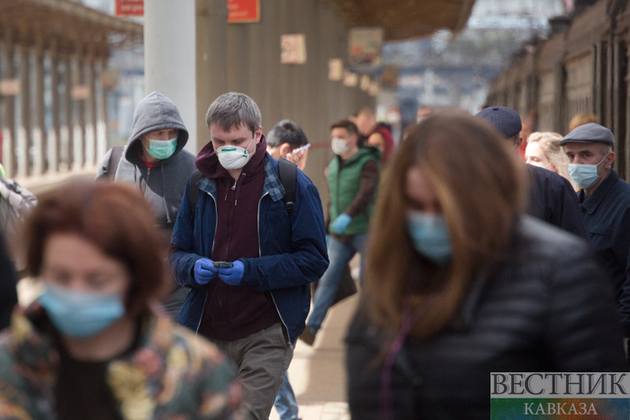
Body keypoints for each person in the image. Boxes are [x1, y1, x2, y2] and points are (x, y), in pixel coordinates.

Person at [345, 113, 627, 420]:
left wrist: (487, 404)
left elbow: (602, 404)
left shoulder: (560, 271)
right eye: (414, 205)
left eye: (443, 205)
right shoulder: (392, 273)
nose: (429, 220)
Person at [0, 181, 242, 419]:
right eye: (61, 277)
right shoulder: (8, 365)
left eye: (98, 280)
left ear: (135, 277)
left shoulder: (198, 371)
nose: (77, 292)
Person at [170, 92, 328, 420]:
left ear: (258, 135)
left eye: (237, 140)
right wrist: (190, 266)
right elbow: (176, 252)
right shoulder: (198, 185)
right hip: (207, 331)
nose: (227, 149)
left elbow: (314, 259)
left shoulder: (291, 184)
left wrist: (252, 271)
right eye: (218, 141)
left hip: (266, 330)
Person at [96, 91, 195, 320]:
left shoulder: (192, 169)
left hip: (176, 296)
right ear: (140, 134)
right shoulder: (113, 163)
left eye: (172, 133)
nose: (167, 139)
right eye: (159, 133)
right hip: (123, 292)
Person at [300, 120, 380, 346]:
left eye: (341, 136)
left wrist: (348, 215)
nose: (336, 141)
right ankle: (312, 328)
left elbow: (366, 194)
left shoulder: (368, 163)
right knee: (327, 277)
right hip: (338, 233)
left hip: (364, 229)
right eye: (333, 136)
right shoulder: (333, 166)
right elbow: (333, 200)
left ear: (353, 138)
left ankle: (372, 328)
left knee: (369, 279)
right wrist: (327, 226)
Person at [476, 106, 589, 240]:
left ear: (518, 143)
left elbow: (575, 246)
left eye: (499, 148)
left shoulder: (554, 188)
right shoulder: (461, 186)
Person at [560, 123, 630, 335]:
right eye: (570, 156)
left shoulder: (624, 204)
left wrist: (620, 331)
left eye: (585, 155)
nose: (576, 163)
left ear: (608, 160)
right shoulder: (574, 201)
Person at [266, 119, 309, 420]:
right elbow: (312, 256)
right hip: (275, 298)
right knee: (270, 361)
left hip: (263, 294)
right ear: (287, 150)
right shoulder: (291, 184)